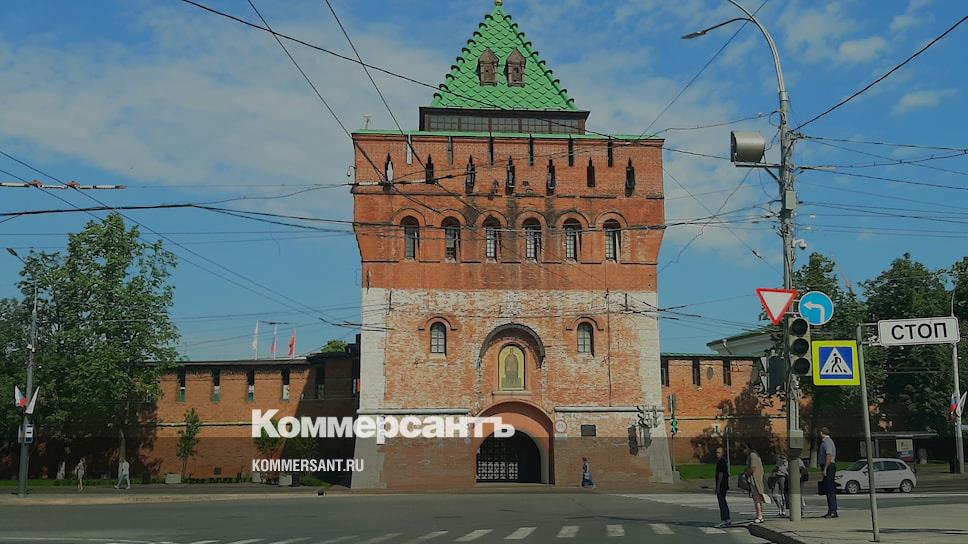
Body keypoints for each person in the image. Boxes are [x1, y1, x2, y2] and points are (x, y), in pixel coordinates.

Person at [741, 443, 767, 523]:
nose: (743, 451)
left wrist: (746, 474)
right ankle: (760, 515)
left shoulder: (753, 455)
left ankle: (759, 516)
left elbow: (753, 467)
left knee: (757, 498)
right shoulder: (752, 455)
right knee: (757, 498)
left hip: (755, 479)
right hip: (755, 479)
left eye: (744, 449)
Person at [818, 427, 838, 518]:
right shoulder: (826, 442)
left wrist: (825, 468)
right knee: (828, 488)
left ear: (821, 433)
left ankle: (833, 511)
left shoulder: (827, 442)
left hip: (829, 466)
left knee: (830, 489)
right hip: (828, 466)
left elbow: (829, 455)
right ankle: (831, 510)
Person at [714, 447, 731, 528]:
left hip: (722, 485)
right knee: (723, 501)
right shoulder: (722, 461)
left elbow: (721, 474)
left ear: (722, 453)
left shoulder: (721, 462)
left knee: (722, 502)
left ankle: (724, 519)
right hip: (724, 485)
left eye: (719, 453)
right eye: (716, 452)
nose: (717, 454)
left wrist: (718, 486)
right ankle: (727, 519)